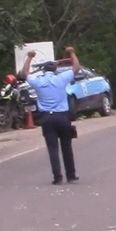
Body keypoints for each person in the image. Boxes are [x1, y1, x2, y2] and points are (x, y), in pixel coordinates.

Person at [22, 47, 81, 185]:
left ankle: (58, 177)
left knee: (52, 148)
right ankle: (71, 175)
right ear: (55, 70)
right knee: (67, 146)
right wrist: (72, 53)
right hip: (62, 117)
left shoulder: (39, 81)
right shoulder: (61, 78)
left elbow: (25, 73)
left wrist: (30, 57)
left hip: (47, 118)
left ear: (43, 70)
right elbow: (76, 68)